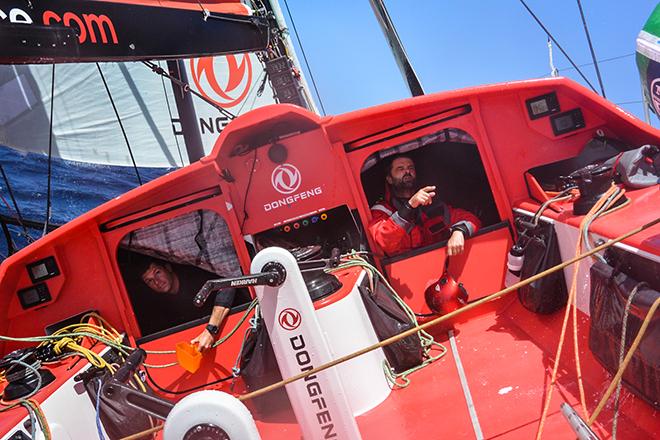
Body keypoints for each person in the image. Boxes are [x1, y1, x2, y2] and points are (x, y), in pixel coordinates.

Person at [369, 154, 481, 256]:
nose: (407, 171)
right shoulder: (381, 211)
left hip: (443, 268)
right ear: (389, 179)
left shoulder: (432, 203)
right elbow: (385, 242)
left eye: (411, 168)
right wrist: (410, 206)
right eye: (400, 168)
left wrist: (459, 231)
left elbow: (470, 218)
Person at [139, 258, 237, 351]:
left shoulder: (196, 275)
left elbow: (227, 284)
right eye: (149, 280)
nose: (157, 281)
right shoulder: (162, 306)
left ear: (168, 268)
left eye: (158, 272)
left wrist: (210, 330)